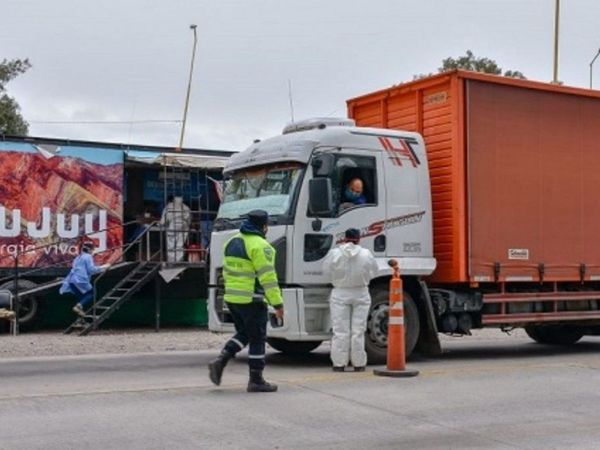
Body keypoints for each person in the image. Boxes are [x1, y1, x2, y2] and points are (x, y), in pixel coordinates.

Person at [208, 209, 284, 393]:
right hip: (253, 298)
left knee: (245, 333)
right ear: (264, 226)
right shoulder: (261, 246)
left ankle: (221, 360)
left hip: (233, 298)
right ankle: (256, 380)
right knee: (258, 337)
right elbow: (268, 279)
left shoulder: (232, 242)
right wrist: (278, 304)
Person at [322, 228, 378, 372]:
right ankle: (359, 363)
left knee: (340, 330)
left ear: (344, 238)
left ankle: (339, 364)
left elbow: (326, 272)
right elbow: (374, 271)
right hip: (361, 292)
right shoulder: (366, 254)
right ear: (359, 239)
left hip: (340, 293)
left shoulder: (335, 253)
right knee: (358, 330)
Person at [59, 241, 109, 317]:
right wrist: (103, 267)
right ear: (89, 250)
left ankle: (80, 316)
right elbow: (91, 270)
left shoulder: (78, 257)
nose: (93, 251)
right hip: (80, 280)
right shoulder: (88, 257)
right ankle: (78, 307)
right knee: (91, 294)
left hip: (72, 280)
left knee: (82, 298)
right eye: (92, 249)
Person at [161, 195, 191, 262]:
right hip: (183, 228)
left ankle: (172, 262)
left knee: (171, 245)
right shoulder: (186, 207)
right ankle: (179, 261)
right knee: (180, 245)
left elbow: (163, 221)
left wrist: (162, 224)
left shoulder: (168, 207)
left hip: (172, 227)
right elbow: (189, 221)